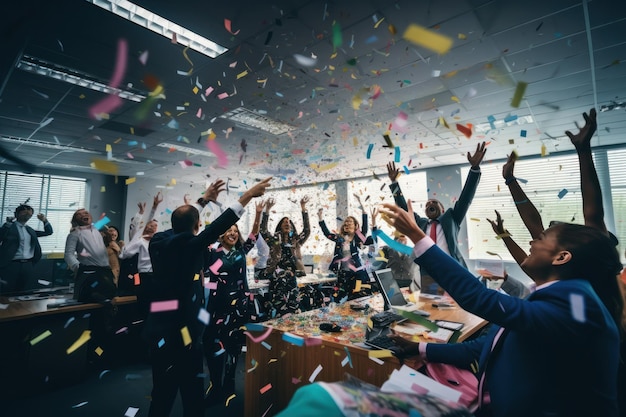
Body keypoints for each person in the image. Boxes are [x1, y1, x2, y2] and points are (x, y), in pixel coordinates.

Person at [380, 200, 623, 417]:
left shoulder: (578, 304)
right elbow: (483, 347)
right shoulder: (554, 296)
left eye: (540, 238)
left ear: (561, 258)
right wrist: (419, 348)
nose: (530, 241)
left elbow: (478, 297)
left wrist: (417, 235)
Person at [143, 177, 271, 417]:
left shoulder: (158, 243)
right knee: (192, 392)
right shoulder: (195, 245)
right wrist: (247, 196)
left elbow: (183, 229)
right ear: (198, 226)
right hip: (185, 332)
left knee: (162, 390)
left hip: (159, 328)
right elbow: (214, 228)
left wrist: (202, 202)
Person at [386, 141, 486, 294]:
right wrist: (394, 182)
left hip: (454, 271)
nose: (429, 204)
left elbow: (466, 198)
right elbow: (404, 209)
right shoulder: (421, 223)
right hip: (429, 275)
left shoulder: (452, 218)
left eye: (434, 203)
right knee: (433, 307)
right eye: (427, 204)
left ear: (443, 209)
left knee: (460, 304)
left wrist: (474, 169)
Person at [202, 204, 263, 407]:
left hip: (238, 308)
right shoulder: (212, 252)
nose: (233, 233)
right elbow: (206, 276)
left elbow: (254, 235)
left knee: (233, 347)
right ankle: (215, 384)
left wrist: (259, 214)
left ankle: (229, 384)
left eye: (236, 231)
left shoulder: (241, 252)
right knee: (212, 345)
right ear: (221, 233)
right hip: (215, 307)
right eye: (229, 230)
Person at [260, 196, 311, 316]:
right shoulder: (274, 240)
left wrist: (303, 208)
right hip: (277, 280)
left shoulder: (296, 241)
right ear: (280, 227)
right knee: (278, 310)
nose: (287, 223)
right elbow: (263, 231)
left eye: (288, 222)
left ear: (292, 227)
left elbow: (307, 230)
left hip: (291, 280)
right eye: (284, 222)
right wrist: (267, 211)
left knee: (293, 309)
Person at [318, 195, 375, 302]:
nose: (347, 223)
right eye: (346, 222)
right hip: (344, 274)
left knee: (359, 298)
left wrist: (362, 206)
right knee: (338, 299)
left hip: (358, 273)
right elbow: (327, 233)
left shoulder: (359, 237)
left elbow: (365, 226)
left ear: (355, 226)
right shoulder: (339, 238)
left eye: (350, 222)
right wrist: (320, 218)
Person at [64, 208, 116, 302]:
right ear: (76, 220)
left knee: (109, 299)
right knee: (89, 301)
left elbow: (107, 217)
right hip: (89, 272)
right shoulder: (75, 233)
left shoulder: (96, 229)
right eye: (79, 214)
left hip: (105, 271)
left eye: (86, 213)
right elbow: (68, 254)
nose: (84, 214)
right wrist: (78, 267)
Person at [0, 204, 53, 294]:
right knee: (7, 291)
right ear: (17, 214)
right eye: (24, 211)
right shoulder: (9, 227)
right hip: (11, 264)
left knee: (25, 291)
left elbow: (48, 232)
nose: (27, 213)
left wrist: (44, 220)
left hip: (28, 264)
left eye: (29, 213)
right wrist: (7, 224)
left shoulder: (30, 230)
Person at [119, 218, 158, 318]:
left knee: (155, 305)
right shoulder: (139, 241)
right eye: (150, 225)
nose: (151, 227)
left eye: (154, 226)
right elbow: (124, 255)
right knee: (144, 305)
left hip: (156, 276)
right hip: (143, 276)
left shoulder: (158, 241)